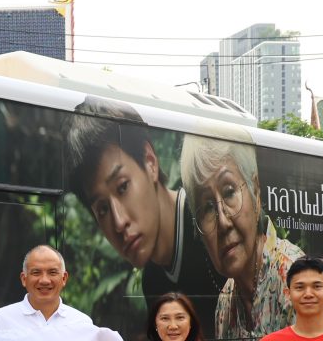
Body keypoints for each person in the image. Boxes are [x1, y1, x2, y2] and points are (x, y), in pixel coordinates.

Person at [67, 99, 222, 312]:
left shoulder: (211, 228)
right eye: (102, 209)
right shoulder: (152, 282)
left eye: (123, 187)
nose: (119, 222)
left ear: (150, 162)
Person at [180, 133, 303, 341]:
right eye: (207, 208)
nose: (223, 222)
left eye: (229, 192)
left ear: (256, 191)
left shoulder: (293, 278)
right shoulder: (225, 302)